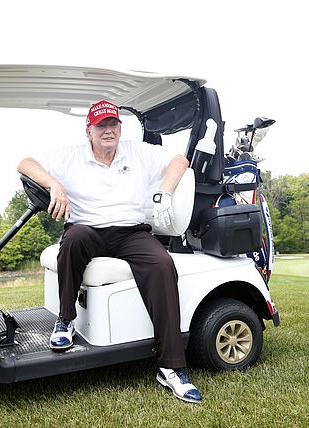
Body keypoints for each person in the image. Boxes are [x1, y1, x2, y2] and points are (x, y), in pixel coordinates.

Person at [17, 100, 202, 404]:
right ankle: (65, 319)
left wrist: (165, 191)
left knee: (162, 264)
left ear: (120, 128)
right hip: (87, 230)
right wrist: (54, 185)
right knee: (73, 238)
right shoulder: (70, 156)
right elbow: (25, 162)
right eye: (101, 125)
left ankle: (171, 367)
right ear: (88, 131)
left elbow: (180, 160)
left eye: (113, 124)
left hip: (131, 232)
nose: (108, 130)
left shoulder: (137, 151)